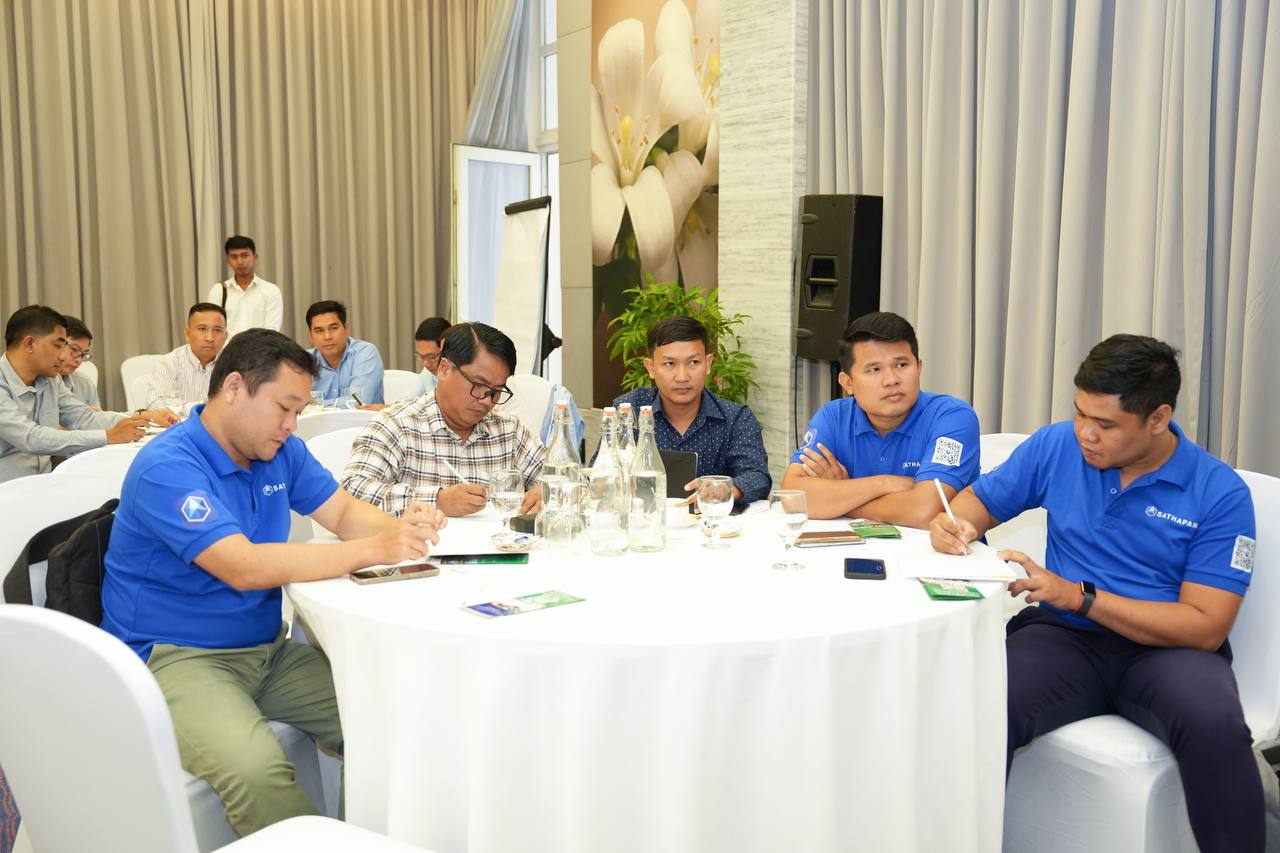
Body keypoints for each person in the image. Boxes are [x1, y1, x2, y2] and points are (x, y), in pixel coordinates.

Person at [100, 328, 446, 838]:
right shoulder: (168, 467)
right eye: (284, 408)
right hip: (176, 658)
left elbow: (342, 512)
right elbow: (242, 566)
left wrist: (402, 531)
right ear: (234, 387)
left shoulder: (279, 450)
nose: (291, 425)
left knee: (392, 724)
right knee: (258, 775)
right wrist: (376, 549)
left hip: (267, 650)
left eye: (299, 411)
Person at [930, 334, 1261, 853]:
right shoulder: (1057, 445)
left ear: (1158, 418)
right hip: (1063, 638)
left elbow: (1205, 624)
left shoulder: (1220, 493)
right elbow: (978, 502)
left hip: (1168, 651)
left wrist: (1082, 597)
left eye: (1105, 424)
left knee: (1215, 725)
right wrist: (958, 525)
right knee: (977, 701)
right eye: (1080, 413)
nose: (1086, 433)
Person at [780, 311, 980, 527]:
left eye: (902, 365)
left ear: (919, 368)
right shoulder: (833, 417)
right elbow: (793, 498)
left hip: (939, 548)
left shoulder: (953, 417)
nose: (892, 380)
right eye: (874, 369)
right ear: (847, 383)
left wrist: (841, 499)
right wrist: (884, 484)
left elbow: (924, 511)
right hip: (855, 544)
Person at [342, 322, 544, 517]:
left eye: (496, 391)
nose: (487, 401)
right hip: (421, 540)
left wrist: (546, 490)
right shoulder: (397, 425)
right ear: (444, 369)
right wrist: (437, 501)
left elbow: (555, 475)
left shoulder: (507, 429)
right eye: (478, 385)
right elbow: (352, 493)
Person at [0, 305, 175, 483]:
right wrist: (108, 436)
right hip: (8, 489)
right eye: (58, 346)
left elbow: (84, 418)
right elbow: (31, 437)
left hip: (45, 481)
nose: (62, 356)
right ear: (29, 344)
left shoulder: (50, 379)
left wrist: (143, 418)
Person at [607, 316, 771, 504]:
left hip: (709, 520)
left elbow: (757, 477)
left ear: (708, 364)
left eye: (693, 362)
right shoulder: (628, 411)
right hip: (645, 519)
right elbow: (600, 473)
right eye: (670, 364)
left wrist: (724, 489)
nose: (682, 377)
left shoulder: (735, 418)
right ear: (651, 368)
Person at [146, 302, 228, 412]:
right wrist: (201, 407)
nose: (210, 338)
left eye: (217, 330)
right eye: (202, 329)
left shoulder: (234, 365)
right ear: (187, 334)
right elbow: (155, 404)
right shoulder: (168, 363)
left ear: (225, 336)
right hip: (181, 423)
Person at [305, 299, 385, 405]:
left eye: (333, 328)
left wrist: (314, 405)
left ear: (346, 329)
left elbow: (357, 403)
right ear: (310, 335)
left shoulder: (365, 353)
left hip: (362, 417)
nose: (327, 337)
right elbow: (295, 403)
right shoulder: (304, 360)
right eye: (319, 331)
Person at [207, 235, 283, 337]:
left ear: (255, 258)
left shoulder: (271, 291)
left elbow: (272, 331)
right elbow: (213, 327)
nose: (240, 262)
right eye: (234, 257)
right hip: (227, 347)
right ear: (228, 261)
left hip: (261, 347)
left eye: (245, 256)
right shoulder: (219, 290)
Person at [56, 314, 100, 408]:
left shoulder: (85, 383)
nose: (79, 360)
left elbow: (97, 415)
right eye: (75, 349)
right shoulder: (37, 380)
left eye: (84, 354)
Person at [411, 316, 450, 398]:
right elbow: (408, 399)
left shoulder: (463, 378)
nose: (425, 364)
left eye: (431, 356)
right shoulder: (427, 373)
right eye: (420, 356)